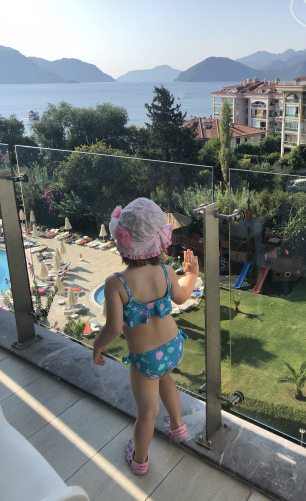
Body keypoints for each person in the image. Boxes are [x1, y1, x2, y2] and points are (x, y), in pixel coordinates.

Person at [93, 198, 199, 476]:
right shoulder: (166, 271)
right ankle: (178, 428)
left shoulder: (116, 283)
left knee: (147, 413)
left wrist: (98, 345)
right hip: (174, 347)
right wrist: (191, 274)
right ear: (159, 240)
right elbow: (182, 297)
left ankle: (139, 460)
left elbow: (113, 328)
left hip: (146, 359)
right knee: (165, 379)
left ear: (122, 241)